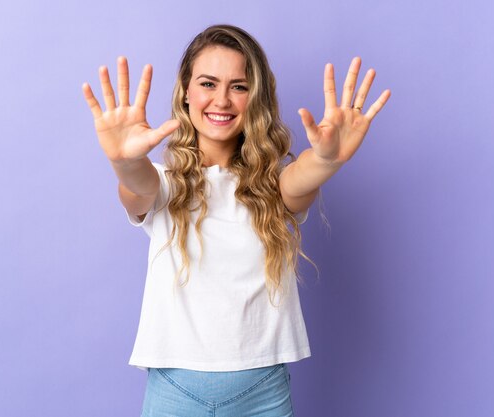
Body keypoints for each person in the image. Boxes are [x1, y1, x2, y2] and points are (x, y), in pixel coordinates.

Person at [82, 24, 390, 417]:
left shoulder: (273, 186)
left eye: (239, 87)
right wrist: (124, 161)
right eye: (208, 83)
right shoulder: (162, 184)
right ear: (186, 92)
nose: (222, 100)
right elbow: (135, 188)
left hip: (262, 392)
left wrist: (328, 160)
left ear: (255, 98)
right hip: (175, 391)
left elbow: (302, 179)